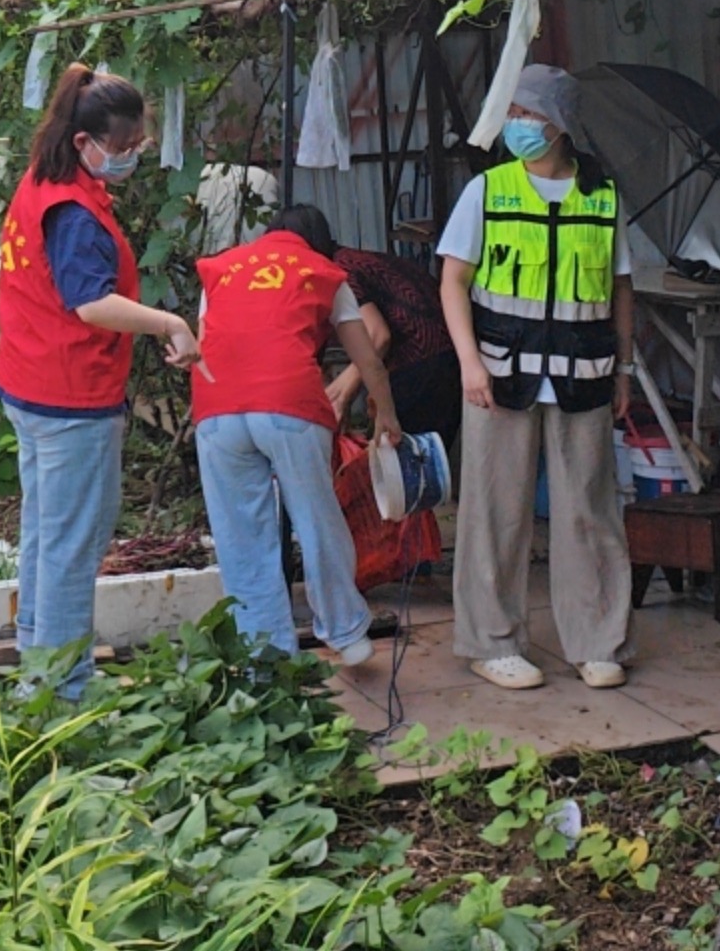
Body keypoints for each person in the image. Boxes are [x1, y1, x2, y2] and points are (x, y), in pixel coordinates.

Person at [0, 64, 200, 690]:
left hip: (30, 384)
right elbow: (91, 304)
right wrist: (170, 323)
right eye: (124, 146)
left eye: (138, 143)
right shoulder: (74, 213)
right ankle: (62, 692)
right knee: (71, 550)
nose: (132, 155)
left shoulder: (44, 176)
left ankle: (38, 669)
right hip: (70, 399)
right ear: (84, 142)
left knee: (45, 536)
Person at [439, 64, 638, 692]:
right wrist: (469, 362)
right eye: (514, 114)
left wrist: (625, 369)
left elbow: (620, 289)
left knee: (590, 511)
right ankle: (492, 642)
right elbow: (452, 282)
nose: (517, 124)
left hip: (585, 372)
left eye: (528, 114)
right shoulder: (488, 191)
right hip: (500, 374)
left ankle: (599, 642)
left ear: (561, 125)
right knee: (493, 512)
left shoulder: (602, 196)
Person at [192, 206, 402, 664]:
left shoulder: (221, 269)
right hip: (289, 403)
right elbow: (368, 358)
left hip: (216, 408)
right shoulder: (324, 271)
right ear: (320, 241)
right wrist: (386, 414)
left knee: (241, 535)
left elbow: (205, 342)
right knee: (316, 518)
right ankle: (346, 632)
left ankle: (263, 655)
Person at [323, 243, 462, 443]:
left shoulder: (339, 270)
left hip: (419, 361)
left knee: (400, 452)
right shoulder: (362, 259)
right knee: (429, 452)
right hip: (449, 354)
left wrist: (342, 393)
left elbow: (378, 336)